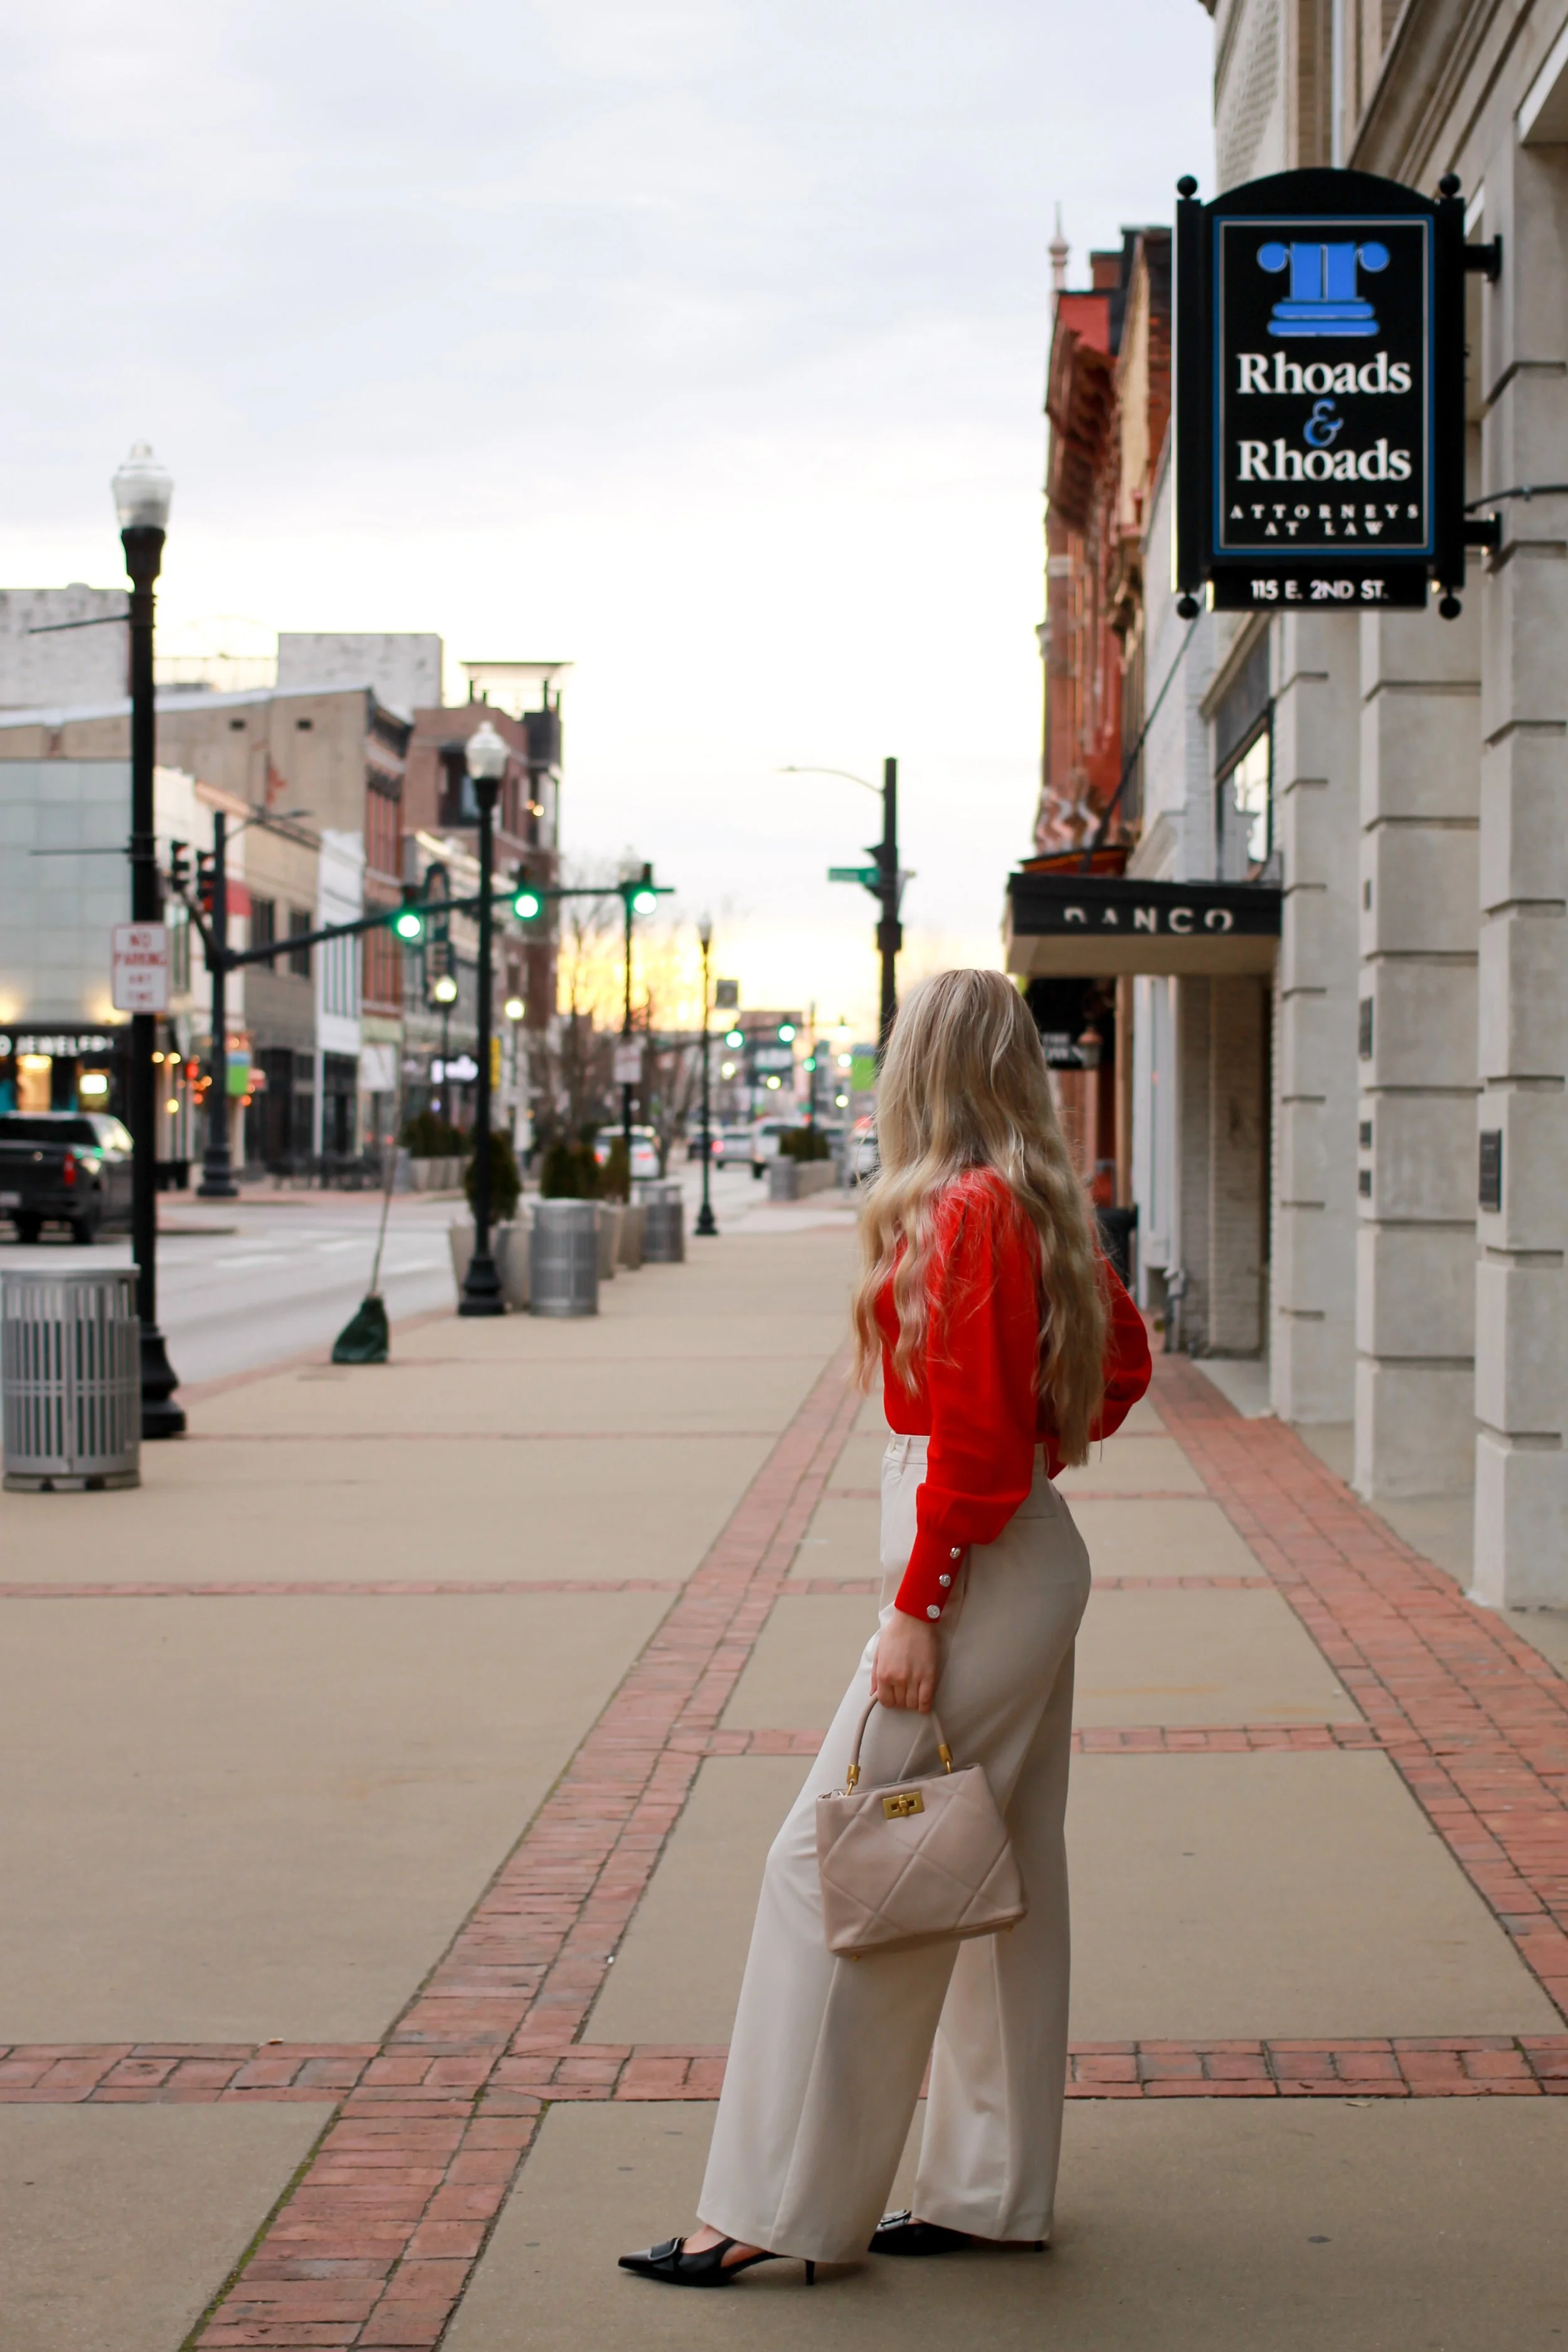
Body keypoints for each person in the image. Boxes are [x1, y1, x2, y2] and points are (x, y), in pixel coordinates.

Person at [620, 968, 1152, 2289]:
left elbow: (967, 1448)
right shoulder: (1039, 1204)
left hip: (969, 1564)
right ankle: (986, 2192)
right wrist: (1044, 1450)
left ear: (918, 1068)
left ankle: (771, 2211)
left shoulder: (966, 1210)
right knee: (1001, 1876)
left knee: (826, 1868)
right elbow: (1123, 1362)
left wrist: (918, 1602)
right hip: (1022, 1550)